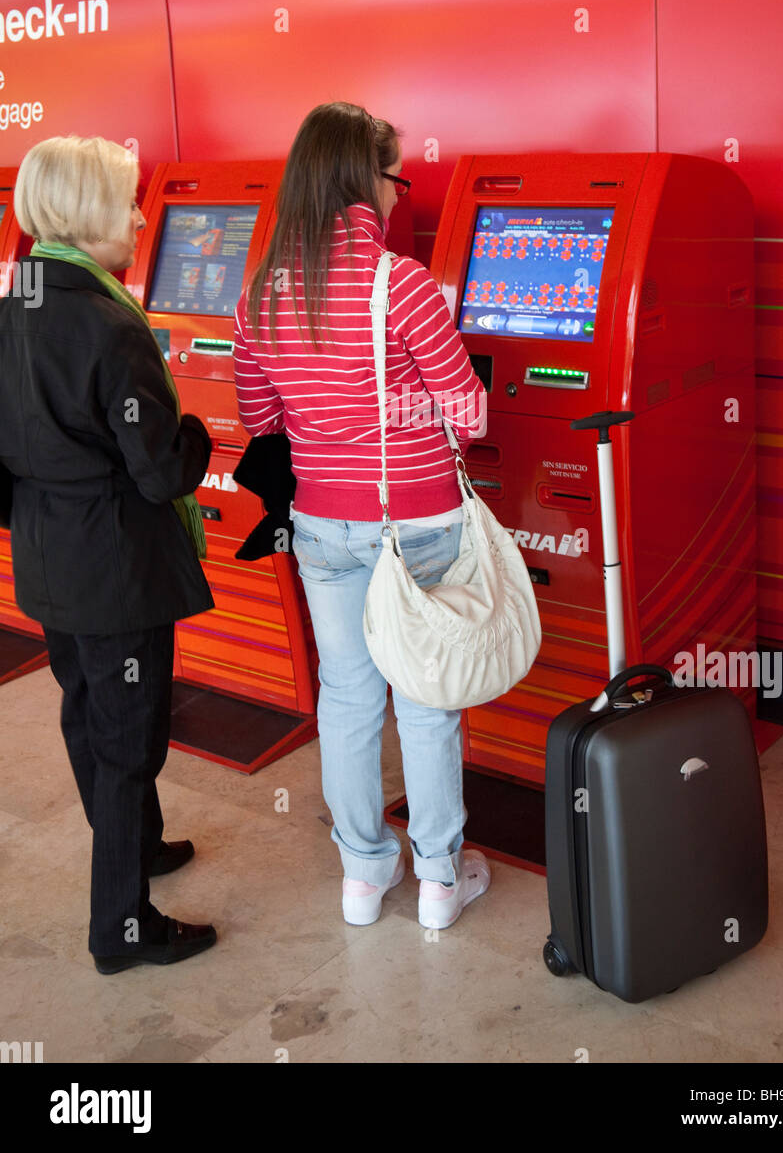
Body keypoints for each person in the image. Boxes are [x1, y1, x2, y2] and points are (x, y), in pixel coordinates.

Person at [234, 102, 490, 929]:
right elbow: (471, 413)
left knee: (346, 696)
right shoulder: (403, 285)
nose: (396, 194)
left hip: (323, 526)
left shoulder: (262, 294)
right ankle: (441, 881)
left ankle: (362, 876)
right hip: (415, 522)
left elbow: (260, 416)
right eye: (393, 176)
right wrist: (408, 407)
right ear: (363, 179)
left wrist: (333, 419)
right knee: (424, 698)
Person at [0, 135, 217, 973]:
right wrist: (197, 435)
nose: (137, 217)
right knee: (130, 741)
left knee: (86, 712)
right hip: (118, 571)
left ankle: (139, 845)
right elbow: (161, 474)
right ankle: (122, 929)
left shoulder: (15, 302)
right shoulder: (105, 323)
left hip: (48, 561)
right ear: (88, 214)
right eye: (125, 202)